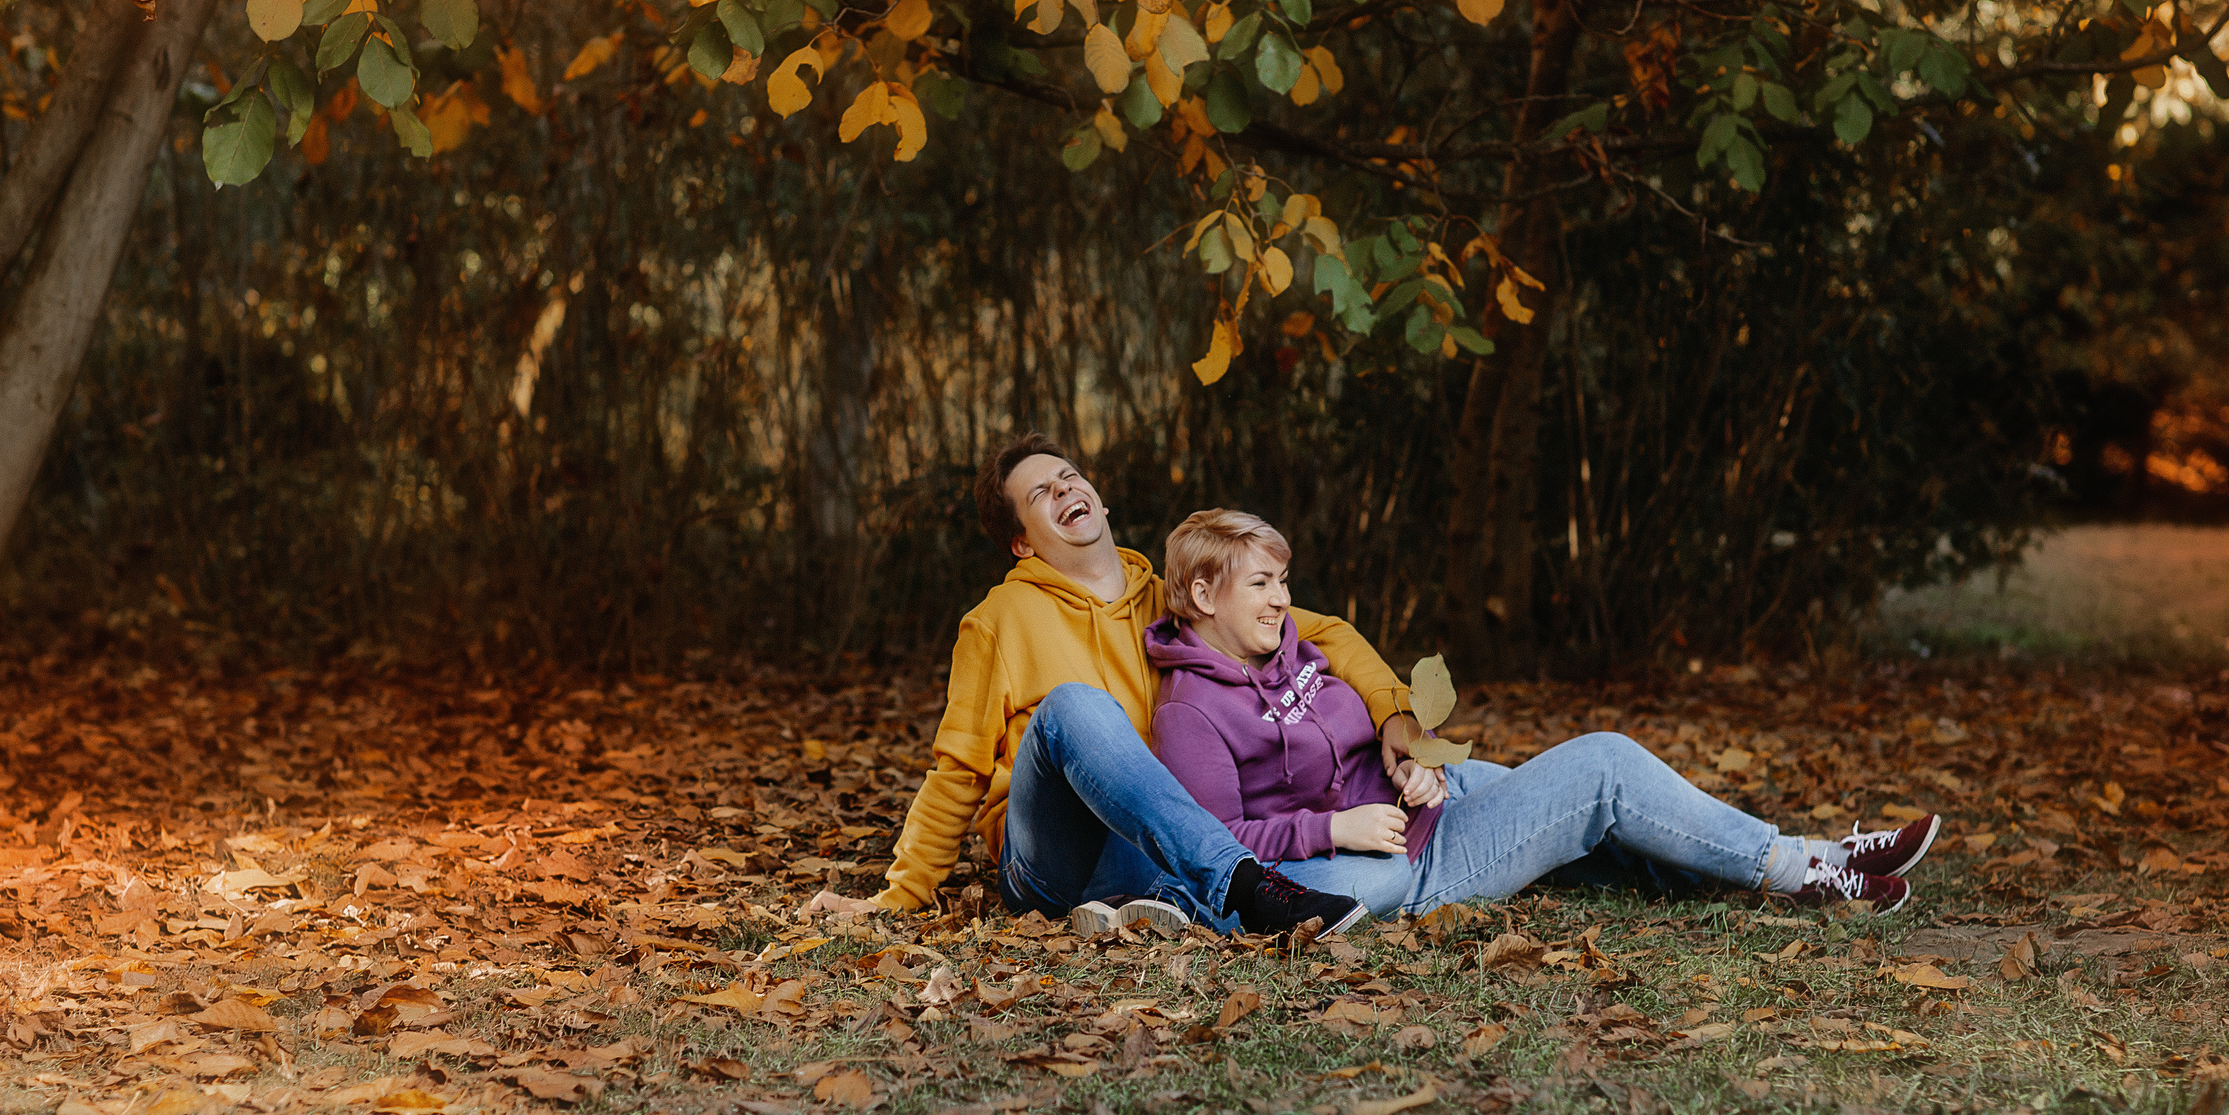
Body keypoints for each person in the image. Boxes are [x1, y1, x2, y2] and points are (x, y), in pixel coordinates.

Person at [1142, 509, 1941, 918]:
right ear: (1204, 595)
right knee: (1604, 767)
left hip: (1426, 806)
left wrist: (1410, 763)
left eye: (1284, 580)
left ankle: (1832, 856)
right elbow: (1216, 846)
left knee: (1617, 825)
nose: (1284, 599)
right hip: (1413, 866)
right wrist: (1333, 831)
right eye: (1263, 584)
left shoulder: (1286, 649)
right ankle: (1802, 868)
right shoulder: (1189, 711)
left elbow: (1351, 742)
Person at [798, 436, 1416, 938]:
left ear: (1099, 499)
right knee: (1074, 706)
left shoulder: (1170, 600)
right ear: (1021, 543)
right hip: (1055, 858)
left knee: (1330, 860)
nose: (1063, 488)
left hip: (1158, 847)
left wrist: (1392, 715)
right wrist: (901, 896)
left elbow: (1323, 632)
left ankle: (1171, 905)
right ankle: (1243, 888)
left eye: (1068, 475)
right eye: (1040, 492)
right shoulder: (998, 622)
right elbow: (957, 769)